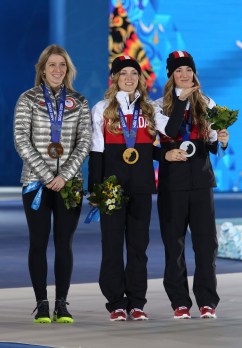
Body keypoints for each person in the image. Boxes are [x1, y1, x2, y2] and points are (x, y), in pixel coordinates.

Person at [88, 55, 179, 322]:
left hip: (141, 185)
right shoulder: (102, 109)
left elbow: (165, 137)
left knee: (139, 246)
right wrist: (95, 190)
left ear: (140, 78)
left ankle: (137, 302)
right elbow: (96, 151)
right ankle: (116, 302)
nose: (129, 77)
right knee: (113, 245)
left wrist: (182, 100)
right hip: (111, 187)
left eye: (134, 73)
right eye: (123, 73)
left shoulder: (150, 109)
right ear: (114, 78)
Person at [14, 44, 91, 323]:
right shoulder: (28, 99)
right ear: (42, 70)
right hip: (35, 183)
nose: (57, 70)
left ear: (68, 70)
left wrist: (64, 176)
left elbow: (84, 142)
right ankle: (42, 304)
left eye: (62, 65)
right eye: (52, 65)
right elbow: (22, 139)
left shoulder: (80, 102)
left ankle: (62, 304)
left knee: (64, 243)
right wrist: (48, 177)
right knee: (38, 242)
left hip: (69, 184)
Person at [154, 50, 229, 319]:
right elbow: (171, 132)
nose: (184, 75)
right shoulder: (157, 106)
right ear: (171, 76)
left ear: (194, 73)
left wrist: (221, 139)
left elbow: (210, 144)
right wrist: (182, 101)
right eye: (178, 71)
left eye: (188, 70)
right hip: (172, 183)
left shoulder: (208, 103)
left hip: (201, 182)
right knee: (173, 245)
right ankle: (180, 302)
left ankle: (208, 301)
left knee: (206, 245)